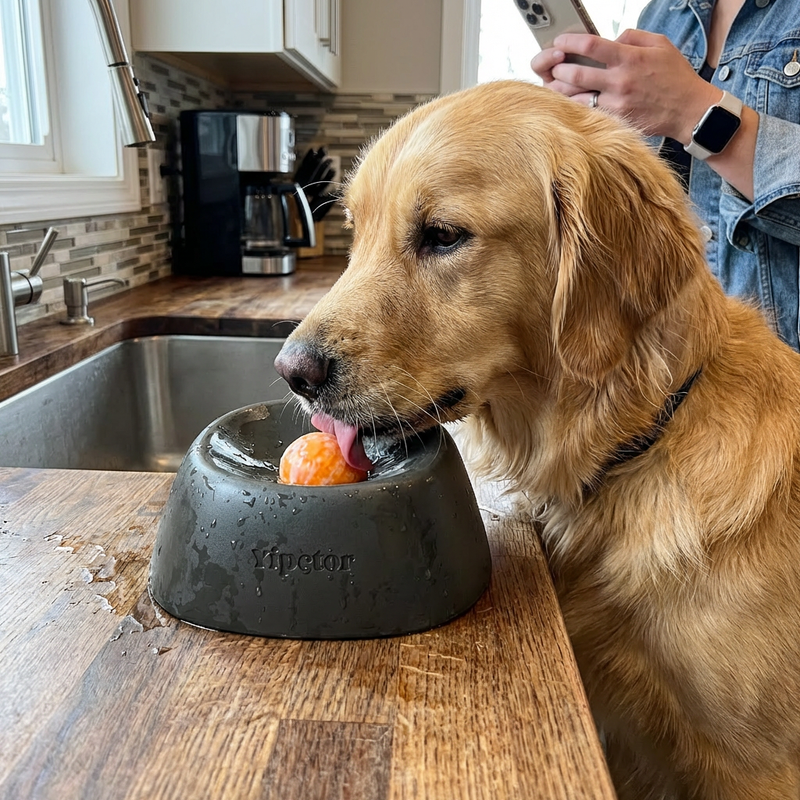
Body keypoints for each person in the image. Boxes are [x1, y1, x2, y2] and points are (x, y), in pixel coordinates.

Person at [531, 0, 800, 351]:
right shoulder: (666, 13)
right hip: (674, 367)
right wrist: (589, 117)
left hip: (779, 373)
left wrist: (694, 112)